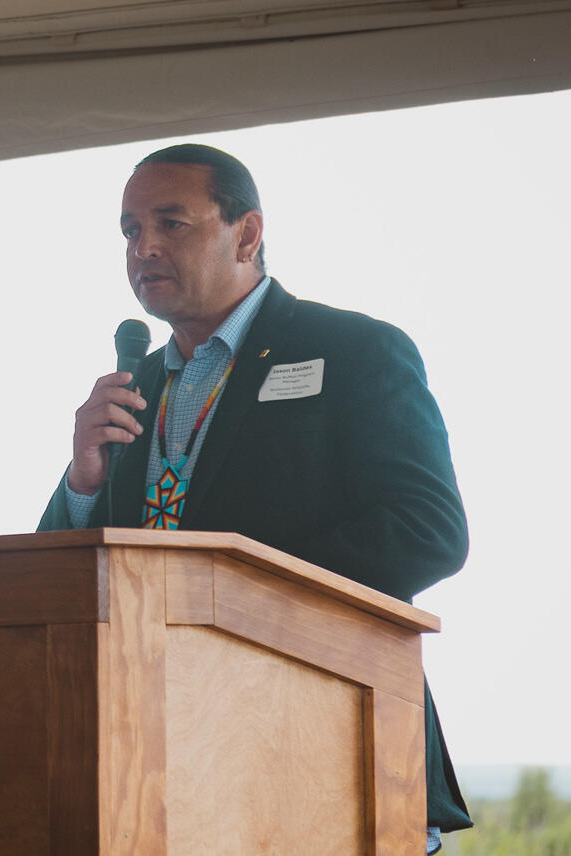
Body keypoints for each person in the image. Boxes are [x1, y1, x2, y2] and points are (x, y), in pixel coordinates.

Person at [37, 144, 471, 852]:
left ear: (247, 233)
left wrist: (228, 602)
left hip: (328, 741)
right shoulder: (135, 387)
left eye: (170, 222)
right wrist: (82, 485)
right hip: (173, 761)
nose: (143, 247)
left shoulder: (352, 350)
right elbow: (61, 583)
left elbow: (427, 531)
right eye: (129, 230)